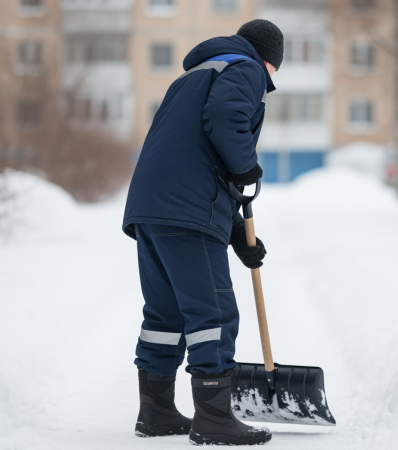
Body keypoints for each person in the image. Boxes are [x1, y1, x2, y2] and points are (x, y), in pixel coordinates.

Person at [121, 19, 283, 446]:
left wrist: (234, 231)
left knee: (166, 313)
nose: (269, 82)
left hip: (152, 207)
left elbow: (192, 153)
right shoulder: (245, 68)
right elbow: (226, 118)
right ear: (269, 61)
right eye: (274, 74)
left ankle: (155, 412)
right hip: (185, 209)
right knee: (213, 313)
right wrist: (247, 167)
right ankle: (213, 417)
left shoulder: (194, 75)